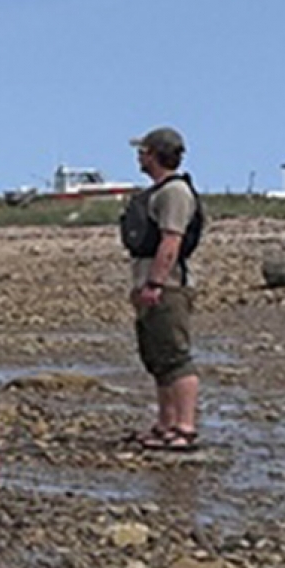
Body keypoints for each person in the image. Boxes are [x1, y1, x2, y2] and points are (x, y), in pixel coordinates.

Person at [123, 126, 204, 450]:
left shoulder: (174, 193)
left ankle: (184, 427)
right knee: (157, 357)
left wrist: (155, 283)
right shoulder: (160, 192)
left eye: (143, 151)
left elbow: (171, 241)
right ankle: (165, 423)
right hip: (150, 284)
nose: (139, 157)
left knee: (175, 357)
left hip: (168, 287)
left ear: (156, 154)